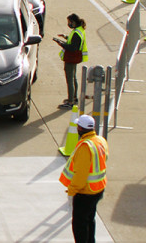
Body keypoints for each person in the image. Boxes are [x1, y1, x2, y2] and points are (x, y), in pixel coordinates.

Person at [59, 114, 108, 243]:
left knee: (79, 225)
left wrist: (72, 190)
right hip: (98, 189)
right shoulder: (100, 140)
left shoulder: (85, 146)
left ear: (80, 128)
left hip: (85, 192)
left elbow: (81, 174)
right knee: (90, 220)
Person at [53, 14, 88, 109]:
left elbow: (72, 47)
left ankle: (70, 101)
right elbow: (73, 41)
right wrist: (65, 37)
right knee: (73, 78)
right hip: (75, 58)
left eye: (69, 22)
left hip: (71, 58)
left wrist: (61, 43)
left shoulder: (77, 33)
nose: (68, 24)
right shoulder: (79, 30)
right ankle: (74, 97)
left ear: (73, 22)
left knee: (70, 79)